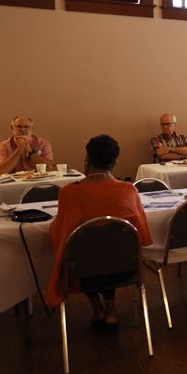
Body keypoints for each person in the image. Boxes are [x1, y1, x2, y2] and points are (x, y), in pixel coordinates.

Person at [45, 135, 152, 328]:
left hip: (83, 270)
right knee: (110, 247)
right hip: (124, 267)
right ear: (114, 162)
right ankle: (111, 308)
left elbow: (62, 233)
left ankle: (98, 307)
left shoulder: (69, 192)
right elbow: (142, 236)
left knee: (86, 251)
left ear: (87, 160)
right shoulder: (128, 190)